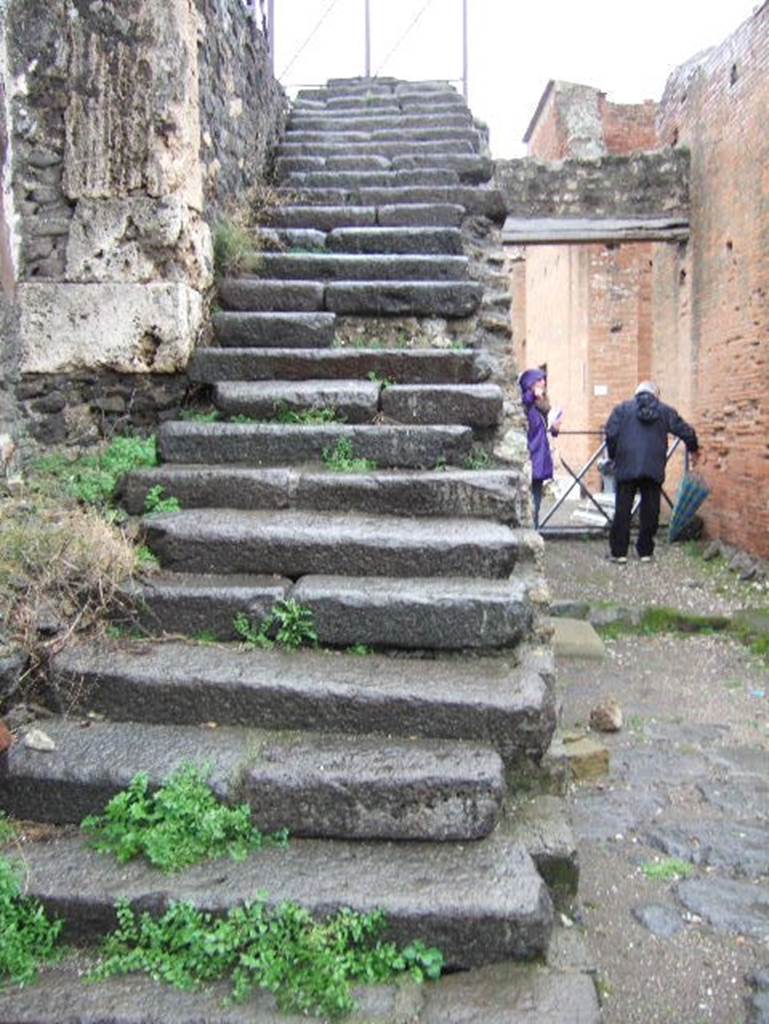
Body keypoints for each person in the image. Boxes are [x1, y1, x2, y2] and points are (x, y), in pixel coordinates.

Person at [605, 381, 699, 563]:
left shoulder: (623, 409)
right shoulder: (665, 411)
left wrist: (614, 454)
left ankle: (619, 552)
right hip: (653, 465)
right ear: (656, 395)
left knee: (623, 509)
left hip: (626, 465)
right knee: (651, 509)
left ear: (637, 394)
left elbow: (611, 433)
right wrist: (693, 448)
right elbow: (685, 430)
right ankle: (645, 551)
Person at [519, 368, 561, 529]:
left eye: (544, 380)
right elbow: (524, 402)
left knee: (536, 504)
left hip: (540, 459)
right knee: (530, 505)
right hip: (531, 458)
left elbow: (542, 430)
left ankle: (534, 533)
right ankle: (531, 534)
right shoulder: (528, 404)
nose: (543, 383)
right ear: (529, 384)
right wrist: (532, 394)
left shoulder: (541, 407)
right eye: (538, 380)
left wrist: (554, 429)